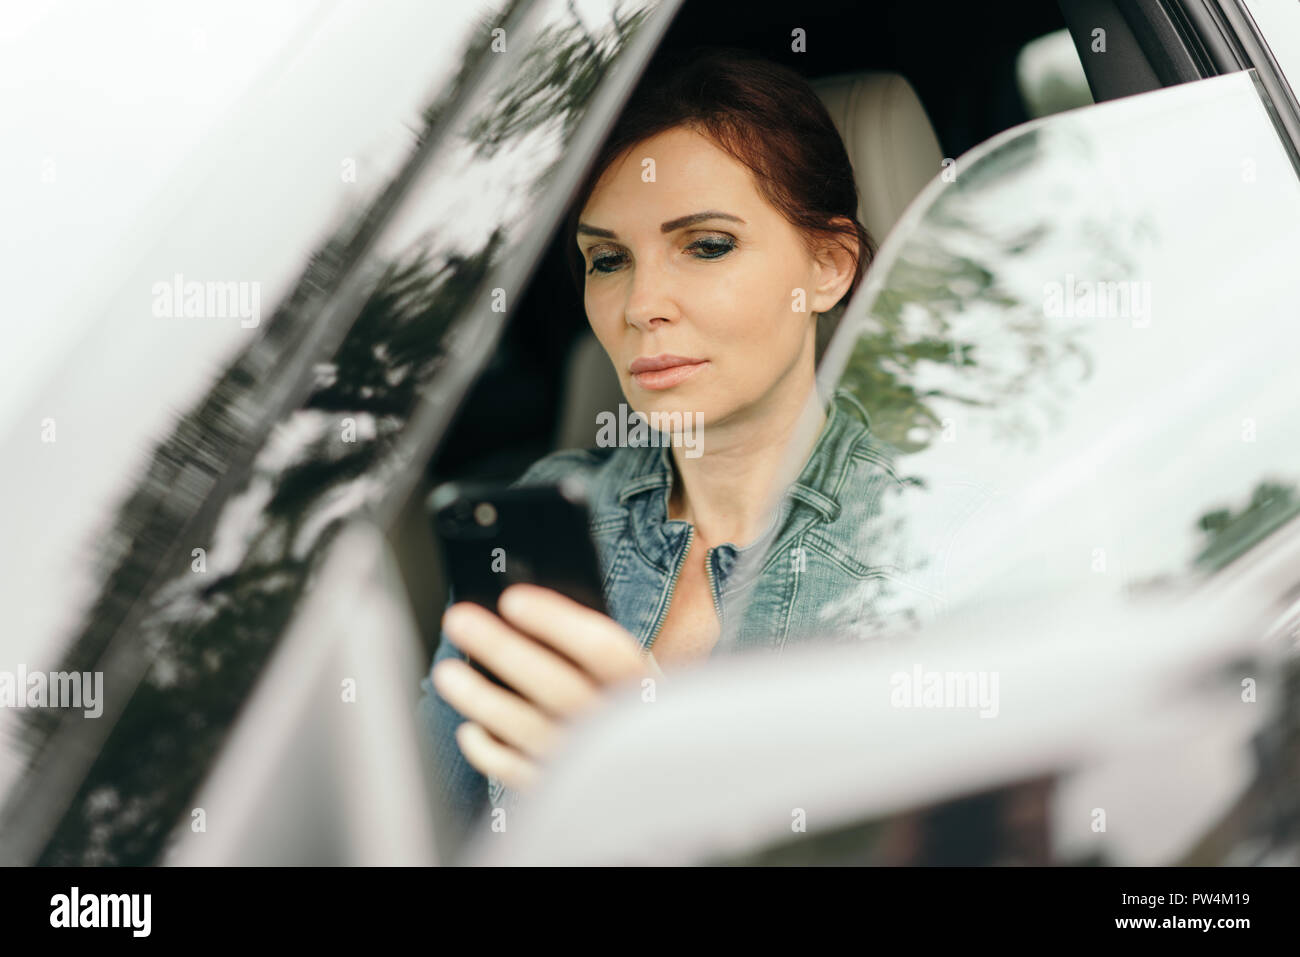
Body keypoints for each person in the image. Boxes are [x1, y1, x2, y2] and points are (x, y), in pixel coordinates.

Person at [416, 47, 906, 859]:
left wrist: (660, 780)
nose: (642, 305)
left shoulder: (941, 537)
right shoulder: (550, 510)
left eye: (706, 245)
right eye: (607, 259)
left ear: (828, 265)